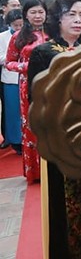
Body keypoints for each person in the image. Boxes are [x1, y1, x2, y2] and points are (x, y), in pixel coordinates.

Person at [27, 0, 81, 259]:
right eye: (71, 15)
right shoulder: (43, 53)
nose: (78, 20)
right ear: (58, 19)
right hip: (62, 140)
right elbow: (36, 99)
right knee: (65, 204)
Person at [4, 0, 49, 181]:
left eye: (40, 12)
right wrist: (28, 66)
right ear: (26, 15)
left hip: (52, 84)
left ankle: (53, 169)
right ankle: (35, 172)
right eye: (33, 12)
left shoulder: (53, 34)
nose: (37, 16)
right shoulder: (18, 37)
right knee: (31, 128)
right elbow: (9, 63)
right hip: (28, 86)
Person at [0, 9, 23, 153]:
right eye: (16, 25)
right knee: (12, 111)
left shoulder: (30, 35)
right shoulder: (2, 37)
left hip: (27, 77)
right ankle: (14, 140)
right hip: (10, 78)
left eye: (21, 25)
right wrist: (14, 58)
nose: (19, 28)